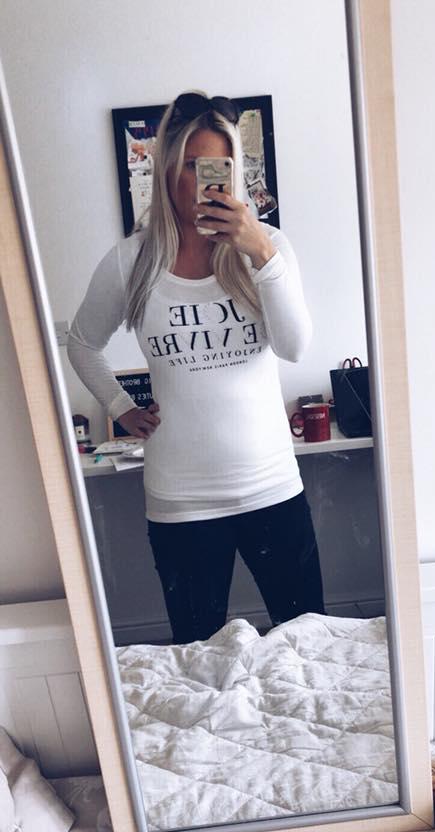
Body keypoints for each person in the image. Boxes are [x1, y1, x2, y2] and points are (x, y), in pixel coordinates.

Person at [68, 91, 325, 644]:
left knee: (306, 646)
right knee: (198, 656)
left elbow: (295, 347)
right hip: (180, 502)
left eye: (218, 165)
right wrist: (121, 408)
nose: (205, 181)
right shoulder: (131, 261)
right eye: (190, 165)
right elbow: (82, 343)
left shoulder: (269, 248)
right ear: (165, 169)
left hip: (272, 489)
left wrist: (261, 254)